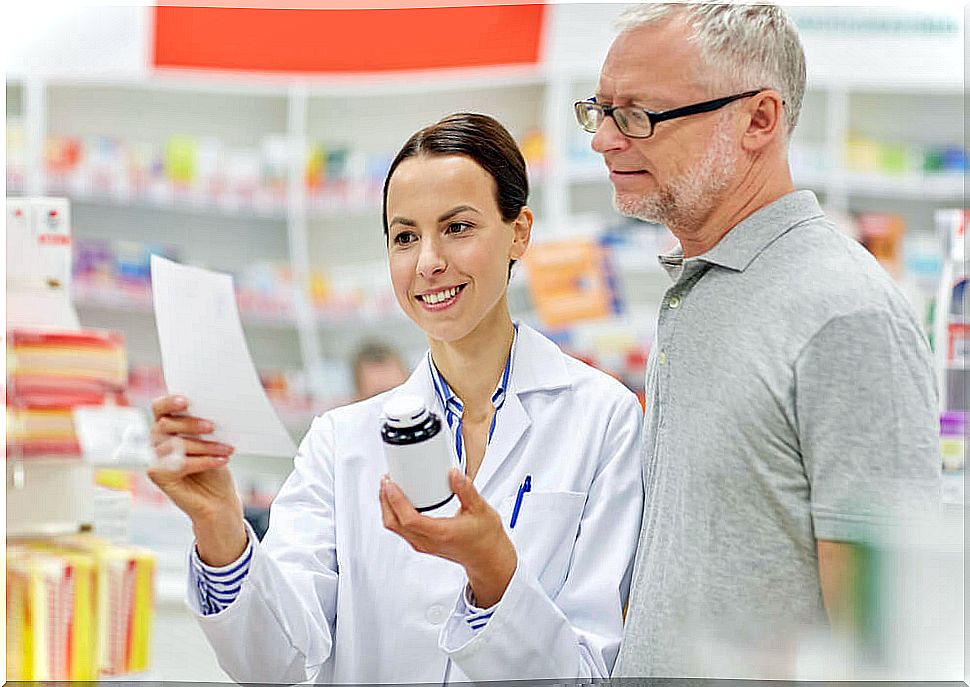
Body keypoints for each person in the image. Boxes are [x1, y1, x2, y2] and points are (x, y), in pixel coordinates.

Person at [148, 112, 643, 684]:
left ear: (520, 231)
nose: (428, 261)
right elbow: (276, 663)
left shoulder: (603, 419)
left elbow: (587, 671)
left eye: (458, 227)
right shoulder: (341, 441)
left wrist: (494, 573)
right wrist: (219, 527)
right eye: (405, 236)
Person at [574, 2, 942, 678]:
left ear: (758, 120)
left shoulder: (845, 313)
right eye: (599, 111)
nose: (605, 139)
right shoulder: (699, 285)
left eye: (638, 115)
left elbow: (887, 639)